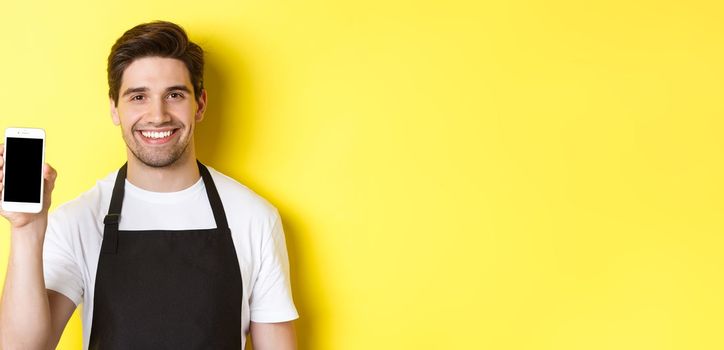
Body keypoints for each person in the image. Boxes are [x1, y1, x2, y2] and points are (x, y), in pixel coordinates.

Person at [0, 21, 298, 349]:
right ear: (115, 108)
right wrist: (27, 230)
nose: (157, 115)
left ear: (199, 104)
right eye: (139, 96)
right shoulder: (78, 221)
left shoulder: (254, 219)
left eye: (174, 94)